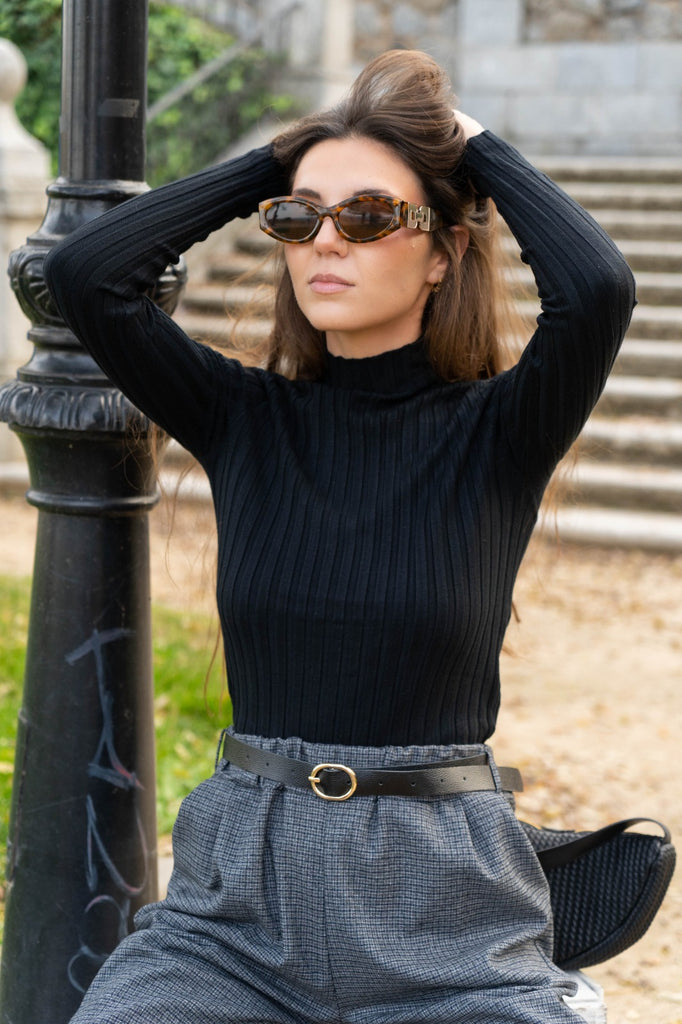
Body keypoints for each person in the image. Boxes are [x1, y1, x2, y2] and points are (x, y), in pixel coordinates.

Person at [45, 49, 635, 1024]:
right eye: (299, 218)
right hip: (235, 920)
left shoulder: (500, 431)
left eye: (366, 216)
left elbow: (597, 288)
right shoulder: (242, 417)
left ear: (442, 252)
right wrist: (277, 159)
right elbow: (87, 273)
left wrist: (469, 144)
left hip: (447, 922)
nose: (326, 240)